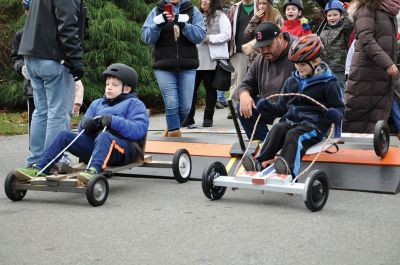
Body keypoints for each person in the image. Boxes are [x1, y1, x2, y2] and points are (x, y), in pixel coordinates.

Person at [14, 64, 149, 185]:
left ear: (126, 89)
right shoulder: (97, 103)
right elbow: (80, 131)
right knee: (64, 135)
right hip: (97, 146)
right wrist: (87, 124)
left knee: (104, 136)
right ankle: (40, 168)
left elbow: (139, 130)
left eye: (114, 85)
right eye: (107, 84)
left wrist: (114, 121)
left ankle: (93, 170)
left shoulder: (135, 104)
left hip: (123, 150)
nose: (109, 88)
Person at [242, 34, 344, 176]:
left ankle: (288, 169)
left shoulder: (328, 83)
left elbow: (339, 108)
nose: (298, 68)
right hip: (291, 120)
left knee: (294, 135)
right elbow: (281, 108)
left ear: (316, 61)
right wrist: (267, 107)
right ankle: (259, 161)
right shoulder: (292, 81)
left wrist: (334, 113)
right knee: (278, 128)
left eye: (302, 64)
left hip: (313, 125)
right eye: (296, 64)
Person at [18, 0, 85, 166]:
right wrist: (76, 60)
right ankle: (54, 160)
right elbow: (68, 25)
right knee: (59, 112)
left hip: (32, 55)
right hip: (53, 56)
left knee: (41, 110)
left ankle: (35, 160)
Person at [141, 0, 206, 137]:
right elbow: (146, 38)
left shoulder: (192, 10)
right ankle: (174, 134)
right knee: (171, 103)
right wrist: (158, 25)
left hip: (187, 65)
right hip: (163, 65)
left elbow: (200, 36)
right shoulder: (156, 10)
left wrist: (184, 25)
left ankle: (172, 127)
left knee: (186, 107)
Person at [343, 0, 400, 133]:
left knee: (379, 112)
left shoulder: (389, 11)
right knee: (360, 110)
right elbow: (366, 38)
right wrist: (387, 62)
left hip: (382, 71)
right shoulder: (366, 9)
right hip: (367, 71)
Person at [234, 22, 296, 141]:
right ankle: (264, 144)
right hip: (269, 106)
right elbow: (246, 84)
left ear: (280, 38)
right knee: (243, 106)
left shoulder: (298, 50)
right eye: (261, 47)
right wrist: (244, 94)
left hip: (294, 108)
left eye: (268, 45)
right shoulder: (260, 58)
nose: (264, 50)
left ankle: (279, 143)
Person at [182, 0, 231, 128]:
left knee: (210, 89)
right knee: (191, 90)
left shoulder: (220, 15)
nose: (203, 1)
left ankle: (208, 118)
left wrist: (210, 38)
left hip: (211, 59)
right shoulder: (194, 14)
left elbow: (227, 34)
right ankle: (189, 118)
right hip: (194, 58)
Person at [226, 0, 255, 119]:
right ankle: (233, 108)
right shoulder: (233, 8)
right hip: (237, 49)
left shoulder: (260, 5)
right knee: (236, 79)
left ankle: (245, 106)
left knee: (248, 79)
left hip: (255, 49)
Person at [10, 1, 34, 134]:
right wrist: (21, 67)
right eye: (29, 10)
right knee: (34, 121)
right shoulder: (20, 35)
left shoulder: (51, 32)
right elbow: (15, 57)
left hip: (51, 83)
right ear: (26, 12)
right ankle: (34, 152)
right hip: (32, 86)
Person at [319, 0, 353, 88]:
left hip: (339, 69)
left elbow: (350, 22)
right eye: (329, 15)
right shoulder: (323, 32)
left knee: (340, 91)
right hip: (325, 69)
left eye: (335, 15)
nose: (332, 18)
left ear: (341, 16)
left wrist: (345, 10)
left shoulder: (343, 29)